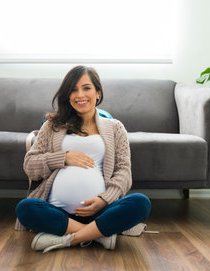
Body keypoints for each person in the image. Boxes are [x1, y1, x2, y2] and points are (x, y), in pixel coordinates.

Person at [15, 65, 151, 253]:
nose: (80, 95)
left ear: (98, 92)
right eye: (73, 90)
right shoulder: (51, 126)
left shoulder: (115, 128)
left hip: (101, 211)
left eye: (86, 88)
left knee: (140, 203)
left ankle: (69, 239)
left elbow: (124, 171)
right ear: (67, 95)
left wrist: (104, 200)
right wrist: (64, 157)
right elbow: (30, 165)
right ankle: (98, 236)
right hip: (58, 211)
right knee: (25, 208)